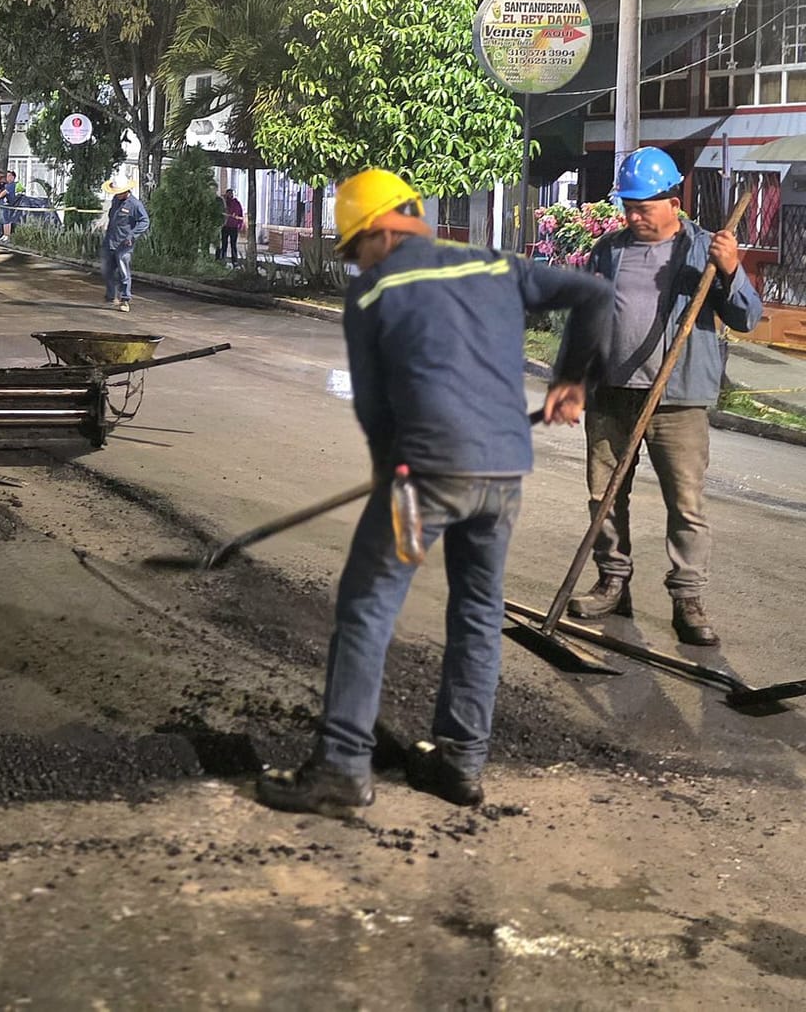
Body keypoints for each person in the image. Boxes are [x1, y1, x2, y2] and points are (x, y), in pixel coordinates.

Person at [256, 169, 610, 818]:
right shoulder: (495, 266)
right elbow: (594, 294)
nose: (357, 259)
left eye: (357, 243)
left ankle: (340, 768)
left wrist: (390, 472)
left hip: (425, 480)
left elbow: (374, 411)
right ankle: (460, 764)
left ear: (385, 230)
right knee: (477, 611)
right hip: (502, 476)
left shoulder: (374, 292)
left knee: (368, 606)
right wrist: (571, 381)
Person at [546, 147, 763, 647]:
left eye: (643, 205)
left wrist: (730, 272)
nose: (633, 215)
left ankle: (687, 599)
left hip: (677, 397)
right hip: (612, 395)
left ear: (672, 200)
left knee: (684, 504)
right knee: (604, 496)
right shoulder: (609, 250)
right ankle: (611, 581)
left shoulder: (706, 250)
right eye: (628, 206)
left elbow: (746, 318)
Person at [101, 173, 149, 312]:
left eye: (119, 193)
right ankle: (111, 296)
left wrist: (132, 235)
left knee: (123, 272)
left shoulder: (135, 205)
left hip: (124, 244)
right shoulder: (116, 201)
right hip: (110, 241)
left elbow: (145, 221)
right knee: (107, 270)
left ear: (126, 191)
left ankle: (125, 300)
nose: (116, 195)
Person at [219, 189, 245, 265]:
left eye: (231, 193)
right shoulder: (224, 203)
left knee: (233, 244)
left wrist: (239, 225)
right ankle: (223, 259)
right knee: (224, 244)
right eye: (228, 193)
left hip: (234, 227)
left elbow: (240, 215)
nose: (230, 195)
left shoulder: (236, 203)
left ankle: (235, 261)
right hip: (225, 226)